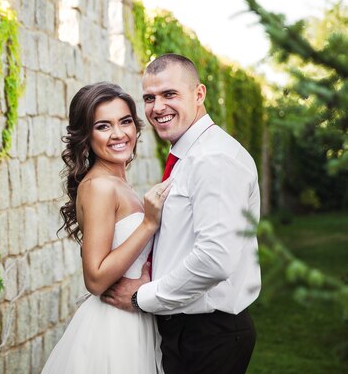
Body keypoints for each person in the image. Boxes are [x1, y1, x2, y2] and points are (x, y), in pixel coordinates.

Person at [101, 54, 262, 374]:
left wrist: (141, 297)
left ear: (199, 94)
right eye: (149, 98)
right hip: (188, 331)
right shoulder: (191, 155)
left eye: (169, 94)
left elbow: (215, 258)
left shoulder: (213, 159)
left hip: (208, 335)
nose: (157, 107)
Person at [41, 82, 171, 373]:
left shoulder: (117, 183)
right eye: (103, 126)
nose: (118, 134)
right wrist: (149, 224)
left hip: (134, 316)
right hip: (113, 328)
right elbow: (96, 278)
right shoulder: (100, 186)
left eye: (125, 121)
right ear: (86, 137)